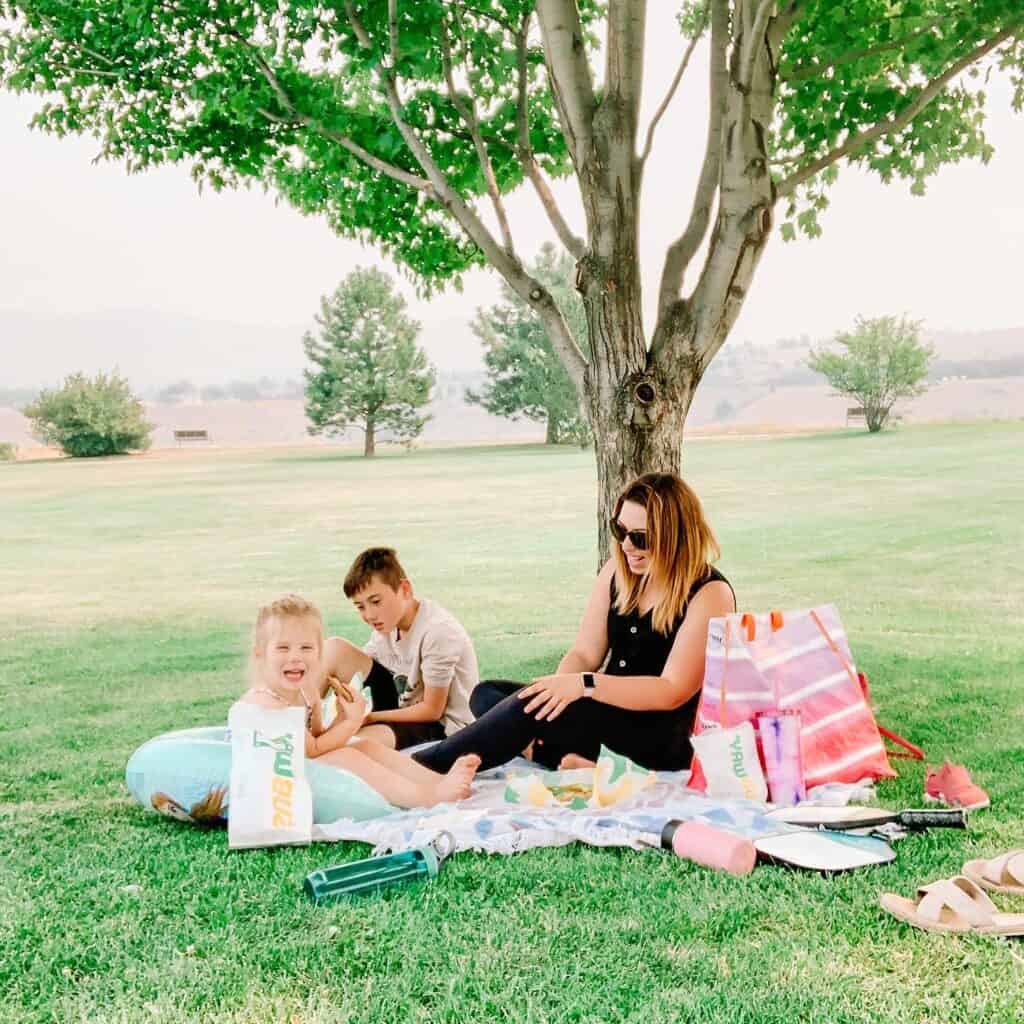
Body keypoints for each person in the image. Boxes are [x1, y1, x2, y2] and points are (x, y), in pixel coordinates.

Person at [413, 473, 736, 774]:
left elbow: (671, 691)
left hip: (661, 734)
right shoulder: (618, 571)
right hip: (603, 711)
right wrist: (555, 695)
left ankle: (427, 766)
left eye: (640, 538)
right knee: (489, 694)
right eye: (620, 531)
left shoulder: (709, 593)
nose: (626, 546)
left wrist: (583, 686)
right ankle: (558, 755)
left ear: (676, 536)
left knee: (520, 711)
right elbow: (584, 652)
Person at [238, 593, 479, 808]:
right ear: (260, 653)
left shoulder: (306, 693)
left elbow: (318, 737)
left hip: (301, 764)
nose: (295, 657)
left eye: (306, 648)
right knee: (347, 756)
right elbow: (313, 751)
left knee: (363, 746)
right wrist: (350, 722)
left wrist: (343, 718)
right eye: (283, 648)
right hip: (280, 781)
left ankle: (437, 782)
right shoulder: (266, 701)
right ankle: (427, 798)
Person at [320, 547, 480, 751]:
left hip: (439, 728)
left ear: (404, 589)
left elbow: (432, 710)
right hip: (400, 704)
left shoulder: (438, 632)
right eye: (360, 606)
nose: (369, 615)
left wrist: (367, 718)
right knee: (334, 648)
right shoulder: (387, 624)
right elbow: (361, 668)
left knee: (346, 744)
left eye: (376, 602)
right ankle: (295, 720)